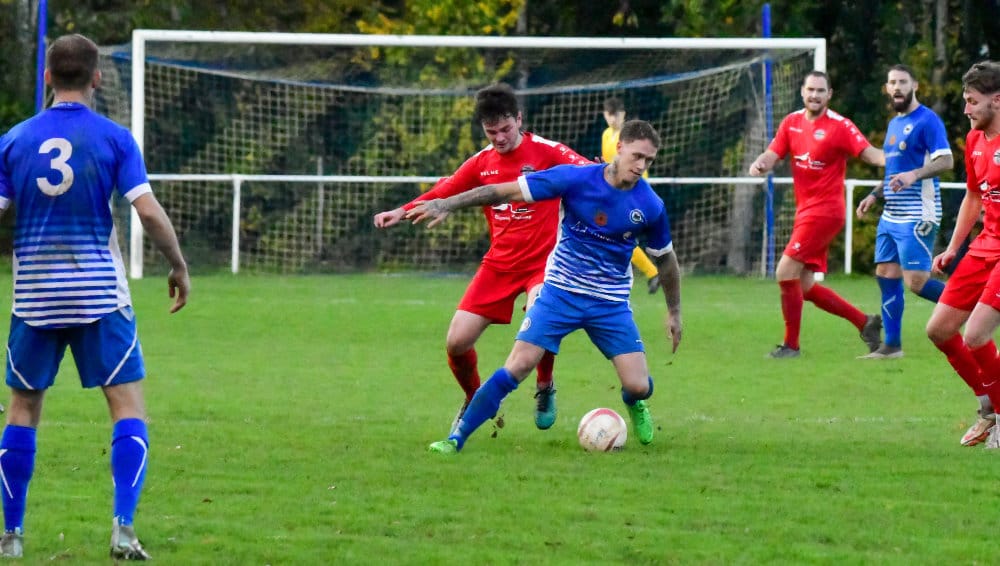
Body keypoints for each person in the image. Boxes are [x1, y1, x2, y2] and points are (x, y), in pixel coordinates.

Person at [0, 34, 190, 559]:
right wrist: (178, 264)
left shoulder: (13, 140)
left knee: (22, 409)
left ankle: (12, 537)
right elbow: (147, 210)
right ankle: (123, 529)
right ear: (97, 78)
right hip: (98, 298)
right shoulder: (114, 139)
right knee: (127, 406)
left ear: (47, 77)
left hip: (34, 299)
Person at [408, 120, 682, 455]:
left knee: (639, 386)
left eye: (649, 160)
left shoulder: (650, 205)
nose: (641, 166)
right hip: (559, 293)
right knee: (518, 365)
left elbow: (666, 261)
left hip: (609, 303)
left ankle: (634, 401)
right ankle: (455, 439)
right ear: (620, 148)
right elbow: (501, 191)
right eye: (637, 156)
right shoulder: (576, 179)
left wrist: (674, 312)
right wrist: (446, 203)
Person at [373, 83, 589, 433]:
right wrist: (401, 210)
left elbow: (590, 173)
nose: (500, 138)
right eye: (492, 132)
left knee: (540, 318)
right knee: (456, 342)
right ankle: (476, 399)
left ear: (519, 119)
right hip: (499, 265)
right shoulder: (481, 162)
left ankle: (544, 384)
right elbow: (446, 190)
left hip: (546, 263)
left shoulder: (548, 152)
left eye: (505, 129)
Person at [748, 70, 885, 358]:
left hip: (826, 211)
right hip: (805, 211)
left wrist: (895, 159)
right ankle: (865, 322)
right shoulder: (791, 122)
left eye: (820, 90)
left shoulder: (840, 126)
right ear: (802, 91)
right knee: (805, 285)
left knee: (785, 271)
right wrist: (761, 163)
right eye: (810, 90)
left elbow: (868, 153)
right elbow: (773, 153)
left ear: (829, 94)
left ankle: (791, 346)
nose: (814, 95)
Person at [925, 61, 1000, 449]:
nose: (966, 109)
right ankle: (989, 406)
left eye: (972, 101)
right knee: (939, 330)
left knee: (975, 334)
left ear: (997, 100)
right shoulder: (974, 141)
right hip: (985, 245)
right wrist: (954, 248)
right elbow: (973, 195)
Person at [855, 65, 954, 361]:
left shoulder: (928, 120)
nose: (897, 87)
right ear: (887, 88)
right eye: (892, 83)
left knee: (917, 282)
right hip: (891, 214)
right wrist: (874, 194)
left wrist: (915, 175)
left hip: (918, 214)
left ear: (915, 85)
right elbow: (893, 171)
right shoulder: (894, 124)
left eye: (902, 82)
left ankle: (978, 307)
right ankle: (892, 346)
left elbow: (946, 160)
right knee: (886, 274)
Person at [602, 97, 662, 294]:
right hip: (616, 191)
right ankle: (652, 273)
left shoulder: (629, 138)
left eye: (616, 114)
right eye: (610, 115)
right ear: (605, 115)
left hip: (633, 191)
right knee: (615, 235)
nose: (613, 119)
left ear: (623, 114)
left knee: (618, 235)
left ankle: (652, 272)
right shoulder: (606, 135)